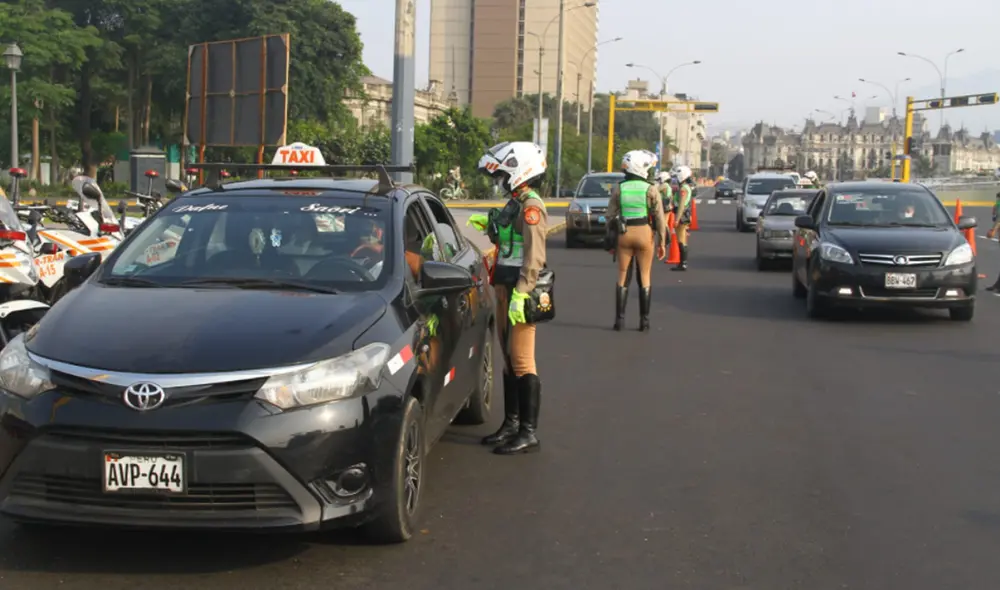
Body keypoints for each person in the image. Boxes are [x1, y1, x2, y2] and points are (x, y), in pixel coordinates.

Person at [472, 141, 548, 455]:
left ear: (519, 171)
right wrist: (490, 228)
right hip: (503, 286)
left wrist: (522, 292)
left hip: (519, 290)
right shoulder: (515, 203)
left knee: (522, 360)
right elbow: (507, 240)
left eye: (503, 174)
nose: (499, 181)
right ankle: (511, 424)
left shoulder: (531, 206)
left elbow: (534, 256)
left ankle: (528, 432)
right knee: (508, 361)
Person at [606, 150, 667, 332]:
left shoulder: (620, 188)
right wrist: (662, 242)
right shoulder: (650, 189)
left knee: (623, 276)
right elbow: (659, 218)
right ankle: (644, 322)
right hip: (644, 234)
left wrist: (610, 240)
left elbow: (610, 216)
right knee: (645, 276)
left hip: (624, 234)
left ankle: (619, 320)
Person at [669, 165, 696, 271]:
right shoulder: (685, 187)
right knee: (682, 239)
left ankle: (682, 263)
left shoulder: (684, 189)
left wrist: (676, 219)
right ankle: (682, 263)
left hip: (682, 216)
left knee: (681, 240)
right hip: (685, 215)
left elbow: (681, 205)